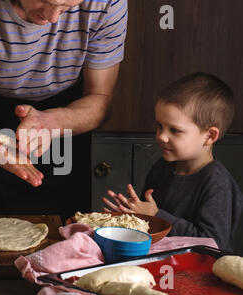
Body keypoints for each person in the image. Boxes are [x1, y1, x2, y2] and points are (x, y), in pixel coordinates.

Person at [0, 0, 128, 219]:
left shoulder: (108, 3)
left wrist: (56, 122)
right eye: (46, 1)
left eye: (66, 7)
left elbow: (100, 98)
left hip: (65, 115)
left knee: (63, 233)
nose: (53, 18)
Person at [102, 72, 243, 251]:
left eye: (175, 130)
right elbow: (149, 223)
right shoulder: (162, 166)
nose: (161, 136)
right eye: (159, 125)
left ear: (209, 136)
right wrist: (132, 214)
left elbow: (213, 244)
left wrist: (156, 216)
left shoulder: (218, 184)